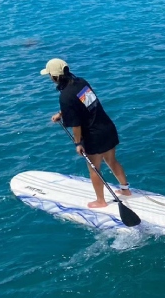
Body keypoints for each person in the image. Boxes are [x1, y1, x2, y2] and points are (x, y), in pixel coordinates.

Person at [41, 58, 130, 208]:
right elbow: (83, 104)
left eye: (50, 75)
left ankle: (101, 201)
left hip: (93, 135)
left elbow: (76, 124)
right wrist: (61, 114)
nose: (50, 78)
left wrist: (78, 143)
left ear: (55, 76)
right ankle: (125, 190)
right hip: (107, 127)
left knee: (94, 169)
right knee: (111, 160)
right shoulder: (81, 82)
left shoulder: (65, 96)